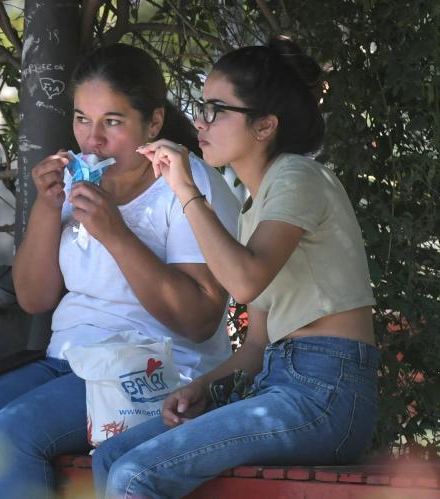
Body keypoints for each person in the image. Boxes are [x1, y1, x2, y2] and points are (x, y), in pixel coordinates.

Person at [0, 43, 239, 498]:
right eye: (81, 119)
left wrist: (117, 235)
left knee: (11, 436)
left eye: (113, 122)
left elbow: (199, 319)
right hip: (65, 362)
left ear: (152, 122)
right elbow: (34, 299)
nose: (93, 140)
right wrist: (49, 211)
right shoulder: (78, 182)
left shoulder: (187, 184)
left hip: (154, 371)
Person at [93, 37, 379, 498]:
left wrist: (185, 189)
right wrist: (203, 387)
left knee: (136, 475)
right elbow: (258, 345)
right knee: (110, 458)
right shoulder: (253, 209)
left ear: (265, 126)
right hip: (278, 382)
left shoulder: (297, 176)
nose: (199, 122)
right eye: (200, 107)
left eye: (216, 110)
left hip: (326, 394)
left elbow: (244, 281)